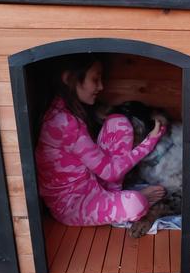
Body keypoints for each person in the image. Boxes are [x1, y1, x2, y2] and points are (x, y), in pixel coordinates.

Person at [35, 53, 167, 231]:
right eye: (95, 79)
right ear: (68, 79)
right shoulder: (63, 123)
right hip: (72, 205)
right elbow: (111, 172)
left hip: (91, 182)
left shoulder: (61, 110)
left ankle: (114, 195)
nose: (101, 86)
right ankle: (123, 199)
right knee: (137, 203)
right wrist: (149, 141)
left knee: (117, 122)